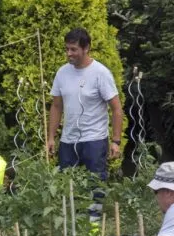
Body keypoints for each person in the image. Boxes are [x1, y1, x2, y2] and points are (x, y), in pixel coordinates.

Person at [46, 27, 123, 222]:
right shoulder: (62, 73)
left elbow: (116, 108)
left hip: (94, 139)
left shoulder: (100, 73)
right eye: (67, 49)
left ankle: (94, 225)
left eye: (73, 49)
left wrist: (115, 141)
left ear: (86, 48)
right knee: (68, 184)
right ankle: (74, 225)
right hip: (68, 140)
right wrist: (51, 138)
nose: (69, 54)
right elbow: (56, 106)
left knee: (95, 185)